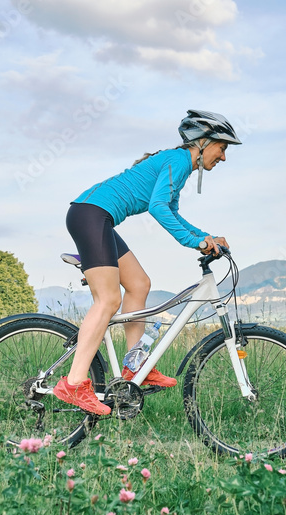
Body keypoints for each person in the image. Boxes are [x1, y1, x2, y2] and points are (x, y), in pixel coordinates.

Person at [53, 110, 242, 415]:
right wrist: (195, 241)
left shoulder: (178, 165)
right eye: (222, 148)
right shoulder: (179, 162)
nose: (223, 157)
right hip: (90, 215)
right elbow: (158, 209)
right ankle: (74, 383)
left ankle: (133, 366)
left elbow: (173, 213)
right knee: (108, 299)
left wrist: (206, 236)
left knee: (139, 284)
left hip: (97, 217)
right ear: (203, 142)